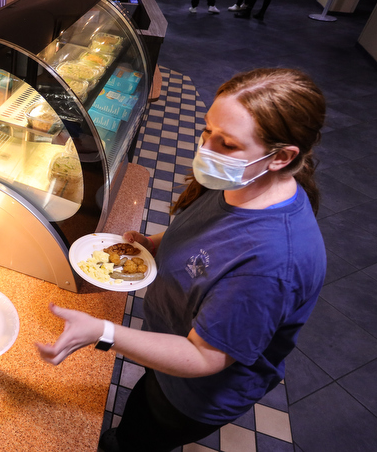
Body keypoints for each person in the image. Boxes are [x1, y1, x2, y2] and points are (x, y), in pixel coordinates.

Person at [36, 68, 326, 451]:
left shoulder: (273, 262)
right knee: (138, 414)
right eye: (207, 131)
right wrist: (153, 243)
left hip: (194, 393)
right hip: (167, 353)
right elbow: (207, 238)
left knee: (138, 438)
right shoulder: (239, 182)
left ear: (281, 157)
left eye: (227, 144)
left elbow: (204, 356)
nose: (206, 150)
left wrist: (103, 332)